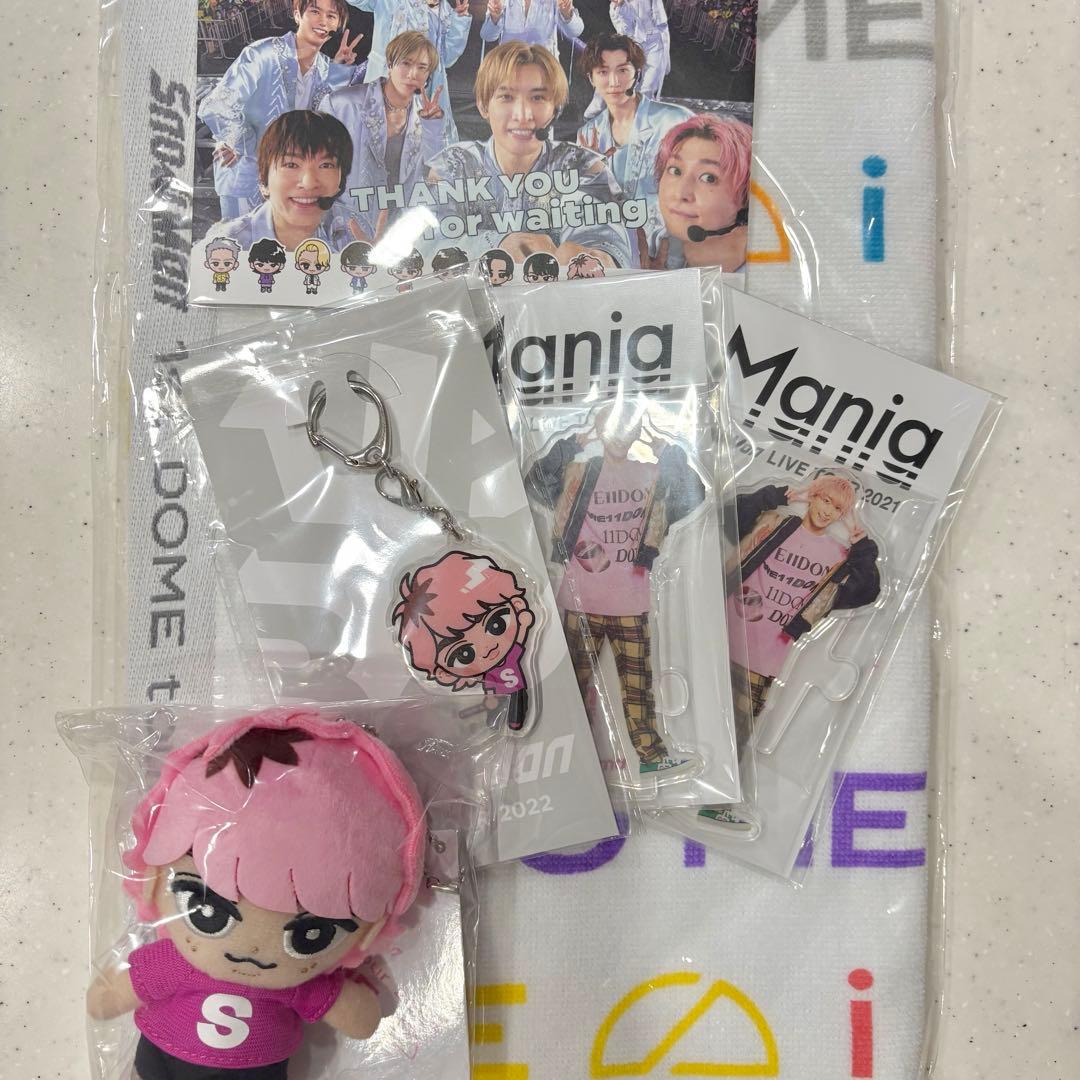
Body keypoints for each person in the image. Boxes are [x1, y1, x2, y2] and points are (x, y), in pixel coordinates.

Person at [85, 711, 427, 1079]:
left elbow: (359, 1020)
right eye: (207, 911)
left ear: (370, 930)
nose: (251, 950)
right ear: (152, 879)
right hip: (163, 1061)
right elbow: (110, 997)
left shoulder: (299, 986)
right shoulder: (174, 965)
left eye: (310, 935)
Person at [526, 401, 706, 777]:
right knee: (572, 688)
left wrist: (667, 450)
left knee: (638, 688)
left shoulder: (650, 474)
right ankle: (563, 758)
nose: (621, 436)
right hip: (580, 602)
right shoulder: (579, 472)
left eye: (629, 428)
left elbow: (693, 495)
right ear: (602, 430)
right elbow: (535, 483)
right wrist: (573, 442)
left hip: (631, 603)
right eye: (613, 427)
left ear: (637, 432)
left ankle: (651, 756)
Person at [696, 473, 882, 827]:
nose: (827, 511)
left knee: (737, 730)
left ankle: (714, 802)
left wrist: (863, 550)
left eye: (837, 508)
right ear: (812, 496)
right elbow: (726, 517)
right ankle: (672, 783)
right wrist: (775, 495)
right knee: (696, 712)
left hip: (765, 657)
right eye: (824, 500)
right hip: (720, 634)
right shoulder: (774, 524)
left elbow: (866, 592)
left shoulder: (838, 556)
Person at [425, 42, 635, 272]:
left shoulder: (583, 167)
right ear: (484, 106)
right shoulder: (453, 166)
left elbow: (608, 242)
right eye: (506, 97)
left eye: (537, 98)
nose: (523, 115)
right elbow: (426, 243)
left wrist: (594, 256)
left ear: (554, 109)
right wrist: (495, 244)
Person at [198, 0, 363, 220]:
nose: (323, 21)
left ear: (338, 24)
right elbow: (216, 105)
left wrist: (339, 65)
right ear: (297, 14)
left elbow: (327, 110)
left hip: (289, 185)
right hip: (246, 179)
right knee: (242, 238)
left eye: (331, 16)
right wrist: (238, 141)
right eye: (315, 11)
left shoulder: (324, 68)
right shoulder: (262, 54)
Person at [317, 31, 446, 242]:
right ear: (390, 64)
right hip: (346, 228)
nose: (413, 74)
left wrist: (432, 128)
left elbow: (436, 174)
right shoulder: (343, 104)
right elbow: (314, 164)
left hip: (398, 234)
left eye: (422, 67)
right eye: (406, 63)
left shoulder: (427, 116)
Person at [393, 551, 537, 733]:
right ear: (442, 672)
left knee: (513, 718)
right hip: (494, 697)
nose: (486, 647)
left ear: (516, 605)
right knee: (494, 717)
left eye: (496, 624)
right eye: (464, 653)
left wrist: (522, 623)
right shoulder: (484, 673)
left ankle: (511, 722)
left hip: (516, 691)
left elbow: (521, 632)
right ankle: (500, 720)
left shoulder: (510, 657)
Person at [576, 34, 691, 214]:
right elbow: (587, 206)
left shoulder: (676, 120)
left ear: (637, 74)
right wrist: (595, 177)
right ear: (591, 78)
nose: (614, 82)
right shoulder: (588, 134)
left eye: (622, 70)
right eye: (603, 72)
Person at [210, 110, 354, 252]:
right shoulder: (225, 248)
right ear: (263, 180)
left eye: (325, 165)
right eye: (291, 165)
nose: (309, 183)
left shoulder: (354, 234)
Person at [638, 112, 753, 272]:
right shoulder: (652, 243)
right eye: (675, 170)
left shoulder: (762, 264)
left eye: (708, 178)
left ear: (745, 195)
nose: (681, 193)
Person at [345, 0, 471, 144]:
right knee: (376, 136)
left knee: (420, 142)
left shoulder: (444, 10)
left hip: (424, 88)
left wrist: (460, 19)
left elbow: (447, 57)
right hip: (386, 79)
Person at [608, 0, 671, 99]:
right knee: (634, 85)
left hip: (656, 42)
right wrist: (621, 7)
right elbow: (625, 31)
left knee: (649, 87)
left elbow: (661, 21)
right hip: (637, 44)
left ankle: (644, 103)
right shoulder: (615, 9)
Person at [480, 0, 584, 58]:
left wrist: (567, 14)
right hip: (509, 66)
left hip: (544, 67)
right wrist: (495, 17)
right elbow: (487, 35)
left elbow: (575, 31)